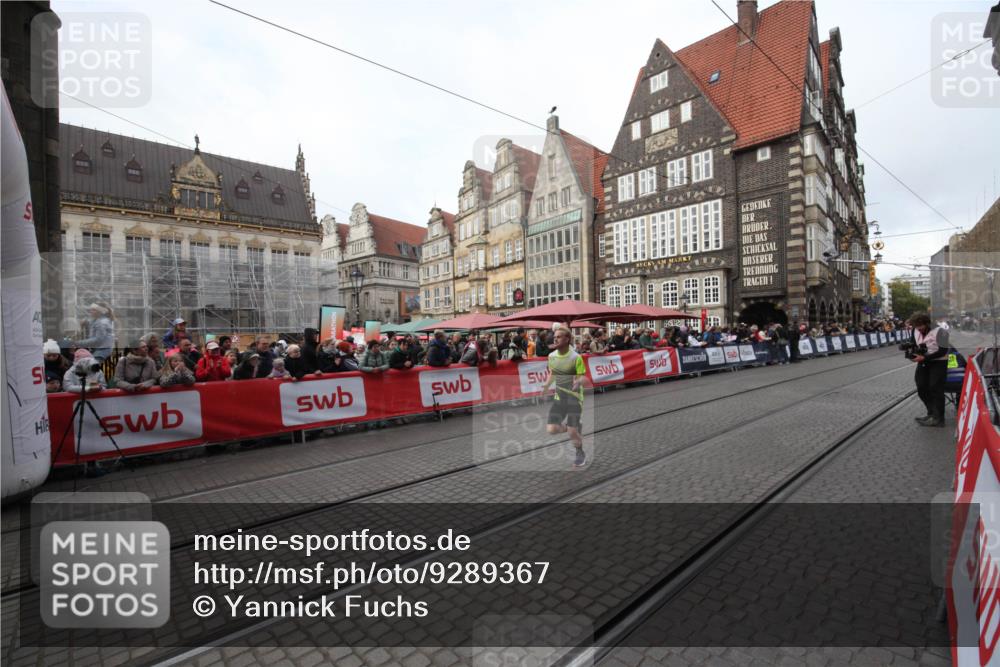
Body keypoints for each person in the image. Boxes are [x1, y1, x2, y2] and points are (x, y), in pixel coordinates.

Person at [542, 326, 587, 467]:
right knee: (552, 429)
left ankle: (580, 452)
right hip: (559, 397)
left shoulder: (576, 357)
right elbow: (553, 373)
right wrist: (546, 386)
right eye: (555, 337)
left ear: (567, 339)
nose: (555, 338)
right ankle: (573, 427)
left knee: (573, 433)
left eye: (559, 336)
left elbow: (582, 377)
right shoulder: (551, 356)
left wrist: (578, 382)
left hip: (574, 399)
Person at [909, 312, 950, 427]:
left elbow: (943, 351)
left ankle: (939, 418)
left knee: (935, 388)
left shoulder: (940, 331)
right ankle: (931, 413)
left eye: (920, 326)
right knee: (921, 386)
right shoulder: (915, 330)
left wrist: (925, 357)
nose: (918, 328)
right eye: (916, 326)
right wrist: (911, 353)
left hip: (939, 361)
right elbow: (913, 344)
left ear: (927, 323)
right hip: (924, 361)